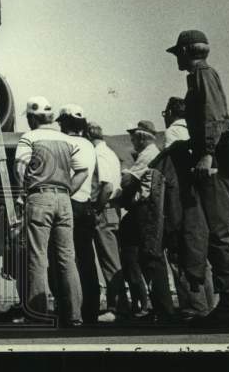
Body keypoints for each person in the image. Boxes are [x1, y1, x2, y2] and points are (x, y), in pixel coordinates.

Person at [166, 29, 229, 325]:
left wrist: (207, 153)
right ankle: (228, 303)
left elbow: (213, 117)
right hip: (214, 162)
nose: (177, 60)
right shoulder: (202, 75)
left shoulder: (202, 75)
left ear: (187, 52)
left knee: (219, 234)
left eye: (178, 54)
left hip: (214, 165)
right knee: (214, 234)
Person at [13, 96, 83, 326]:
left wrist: (22, 195)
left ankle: (38, 315)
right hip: (64, 200)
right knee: (67, 258)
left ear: (32, 118)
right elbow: (81, 169)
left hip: (39, 198)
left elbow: (19, 167)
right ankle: (74, 315)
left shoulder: (29, 137)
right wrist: (65, 190)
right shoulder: (65, 139)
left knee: (37, 258)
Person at [160, 95, 215, 318]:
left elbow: (173, 170)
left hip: (181, 200)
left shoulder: (172, 132)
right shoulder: (198, 131)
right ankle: (209, 305)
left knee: (180, 253)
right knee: (201, 254)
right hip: (201, 198)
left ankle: (194, 307)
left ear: (171, 113)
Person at [119, 120, 176, 322]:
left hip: (145, 212)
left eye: (134, 137)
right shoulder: (154, 153)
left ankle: (163, 310)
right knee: (151, 259)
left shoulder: (147, 155)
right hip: (150, 211)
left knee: (151, 259)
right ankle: (161, 308)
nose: (132, 142)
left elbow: (128, 182)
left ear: (142, 137)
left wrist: (124, 169)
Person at [55, 104, 100, 325]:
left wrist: (63, 195)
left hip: (69, 202)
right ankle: (91, 309)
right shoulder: (89, 146)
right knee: (86, 259)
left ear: (63, 122)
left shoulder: (64, 143)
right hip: (86, 204)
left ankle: (69, 309)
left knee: (63, 260)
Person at [86, 122, 127, 322]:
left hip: (104, 209)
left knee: (109, 261)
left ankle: (116, 308)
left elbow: (107, 186)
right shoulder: (109, 153)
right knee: (113, 259)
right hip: (113, 209)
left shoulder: (98, 154)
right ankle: (120, 304)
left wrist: (96, 208)